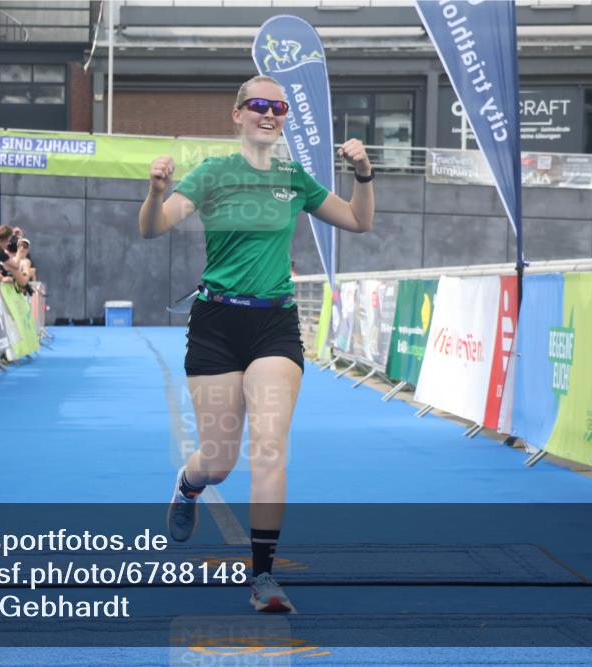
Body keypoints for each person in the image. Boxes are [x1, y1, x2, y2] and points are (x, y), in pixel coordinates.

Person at [139, 75, 374, 613]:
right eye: (259, 105)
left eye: (280, 107)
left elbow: (360, 221)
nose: (270, 114)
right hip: (218, 325)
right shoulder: (213, 173)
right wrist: (154, 195)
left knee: (269, 448)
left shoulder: (295, 178)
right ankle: (189, 483)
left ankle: (263, 578)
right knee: (219, 462)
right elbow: (155, 227)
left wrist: (363, 173)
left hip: (274, 326)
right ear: (237, 114)